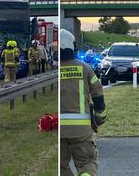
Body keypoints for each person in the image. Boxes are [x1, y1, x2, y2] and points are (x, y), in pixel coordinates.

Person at [60, 29, 107, 176]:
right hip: (81, 130)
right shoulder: (85, 68)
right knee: (86, 163)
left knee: (60, 167)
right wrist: (99, 118)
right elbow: (98, 96)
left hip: (58, 130)